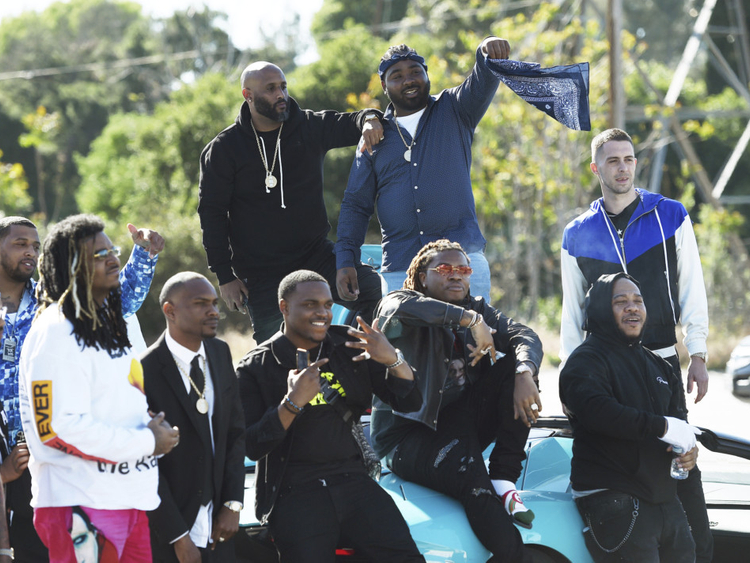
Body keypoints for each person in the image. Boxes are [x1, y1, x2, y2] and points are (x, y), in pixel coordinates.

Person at [559, 128, 713, 561]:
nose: (622, 167)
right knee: (634, 477)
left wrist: (697, 353)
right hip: (607, 372)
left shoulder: (672, 214)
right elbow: (572, 315)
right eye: (612, 160)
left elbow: (692, 290)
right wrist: (574, 387)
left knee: (686, 489)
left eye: (628, 159)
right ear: (596, 168)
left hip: (664, 363)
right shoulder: (577, 233)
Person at [17, 214, 179, 562]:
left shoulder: (106, 327)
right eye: (98, 254)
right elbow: (56, 429)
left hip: (125, 498)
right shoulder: (55, 331)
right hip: (80, 506)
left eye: (113, 249)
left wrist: (150, 424)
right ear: (70, 265)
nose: (113, 258)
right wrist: (146, 440)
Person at [371, 239, 544, 562]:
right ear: (423, 277)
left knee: (514, 369)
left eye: (464, 270)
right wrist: (470, 321)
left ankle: (504, 475)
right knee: (475, 490)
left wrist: (524, 371)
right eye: (445, 269)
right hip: (408, 435)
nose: (457, 276)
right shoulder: (400, 302)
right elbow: (399, 310)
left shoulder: (478, 306)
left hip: (459, 420)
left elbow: (525, 336)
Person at [237, 270, 424, 562]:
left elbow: (409, 401)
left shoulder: (349, 345)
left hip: (353, 482)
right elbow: (250, 445)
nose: (322, 313)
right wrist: (292, 402)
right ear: (284, 307)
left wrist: (393, 359)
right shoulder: (255, 368)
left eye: (326, 304)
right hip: (294, 491)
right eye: (310, 304)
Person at [198, 61, 385, 345]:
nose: (281, 94)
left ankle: (360, 371)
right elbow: (211, 214)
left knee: (375, 291)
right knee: (275, 355)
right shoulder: (224, 149)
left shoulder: (309, 127)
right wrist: (225, 276)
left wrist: (370, 118)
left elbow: (353, 121)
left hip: (316, 257)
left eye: (283, 86)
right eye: (271, 89)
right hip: (261, 274)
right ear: (248, 95)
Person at [335, 37, 512, 302]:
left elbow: (482, 79)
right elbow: (355, 205)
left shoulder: (455, 108)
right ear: (384, 85)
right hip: (400, 267)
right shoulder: (373, 136)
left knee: (471, 340)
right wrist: (345, 260)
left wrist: (485, 47)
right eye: (397, 76)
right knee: (403, 344)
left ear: (426, 75)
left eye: (415, 72)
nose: (408, 80)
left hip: (461, 264)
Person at [560, 272, 700, 562]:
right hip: (614, 499)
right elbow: (598, 413)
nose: (632, 307)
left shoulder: (660, 366)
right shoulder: (585, 360)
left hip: (665, 498)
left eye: (638, 301)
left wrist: (688, 451)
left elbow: (679, 425)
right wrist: (662, 426)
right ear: (599, 309)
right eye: (620, 301)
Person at [142, 272, 245, 562]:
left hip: (220, 525)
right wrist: (177, 535)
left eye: (214, 302)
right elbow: (145, 462)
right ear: (170, 311)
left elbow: (235, 431)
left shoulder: (220, 352)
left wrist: (232, 504)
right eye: (201, 303)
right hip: (171, 531)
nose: (213, 311)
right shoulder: (145, 370)